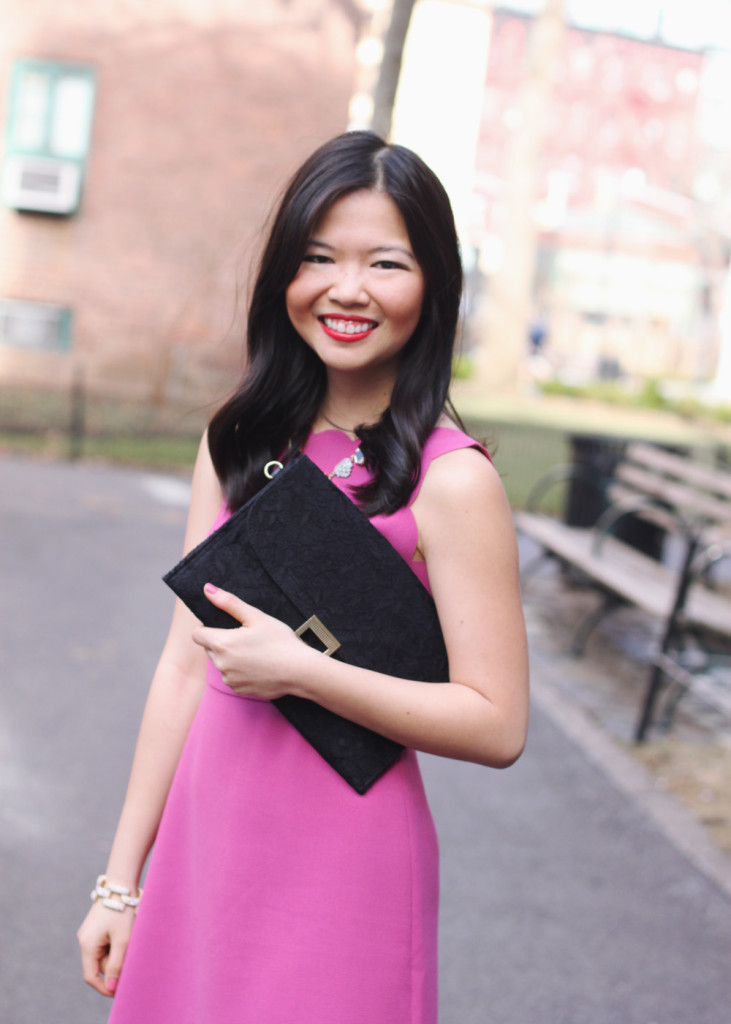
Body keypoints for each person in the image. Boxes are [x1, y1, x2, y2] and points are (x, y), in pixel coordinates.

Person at [77, 130, 529, 1024]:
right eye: (318, 257)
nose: (347, 289)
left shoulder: (452, 480)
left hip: (345, 857)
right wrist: (121, 881)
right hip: (206, 842)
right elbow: (181, 668)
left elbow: (497, 721)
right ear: (284, 273)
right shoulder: (239, 444)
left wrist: (304, 672)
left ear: (432, 285)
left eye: (385, 263)